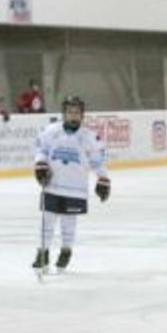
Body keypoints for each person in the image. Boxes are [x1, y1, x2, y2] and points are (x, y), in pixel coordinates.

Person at [31, 95, 110, 271]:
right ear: (64, 114)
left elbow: (97, 161)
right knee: (47, 220)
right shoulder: (51, 131)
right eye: (69, 112)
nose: (73, 116)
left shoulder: (90, 137)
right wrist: (40, 163)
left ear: (82, 115)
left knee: (68, 222)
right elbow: (40, 149)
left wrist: (103, 178)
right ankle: (42, 253)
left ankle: (66, 251)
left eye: (76, 112)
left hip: (75, 189)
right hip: (52, 185)